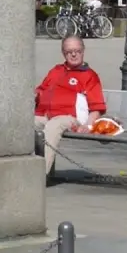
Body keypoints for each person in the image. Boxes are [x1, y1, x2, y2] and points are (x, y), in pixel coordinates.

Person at [34, 37, 106, 176]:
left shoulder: (89, 76)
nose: (73, 54)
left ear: (83, 51)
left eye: (77, 51)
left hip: (70, 119)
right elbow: (41, 90)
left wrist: (88, 125)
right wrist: (34, 95)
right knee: (24, 123)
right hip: (45, 115)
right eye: (69, 52)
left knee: (54, 125)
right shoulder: (56, 70)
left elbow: (97, 108)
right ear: (63, 53)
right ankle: (20, 170)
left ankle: (40, 176)